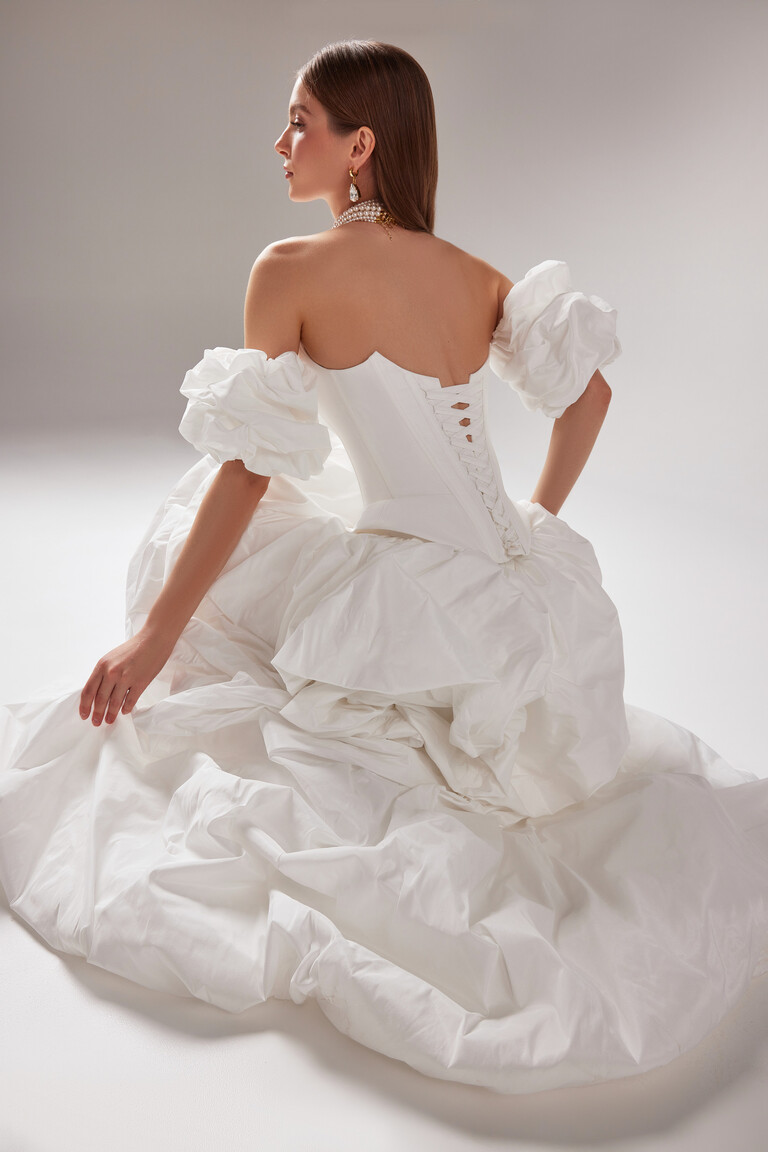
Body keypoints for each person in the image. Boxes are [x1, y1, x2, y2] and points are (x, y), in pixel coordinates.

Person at [0, 39, 766, 1097]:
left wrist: (154, 639)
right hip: (520, 592)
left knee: (207, 536)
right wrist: (532, 522)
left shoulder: (290, 272)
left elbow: (246, 477)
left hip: (417, 590)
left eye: (301, 123)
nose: (281, 143)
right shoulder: (470, 272)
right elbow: (586, 397)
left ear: (360, 145)